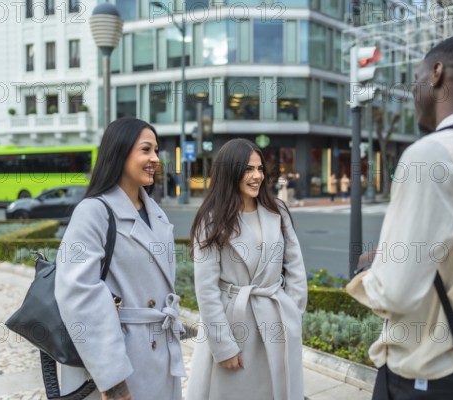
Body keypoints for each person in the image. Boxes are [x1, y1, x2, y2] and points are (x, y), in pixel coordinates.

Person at [346, 35, 453, 399]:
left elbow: (395, 292)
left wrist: (370, 270)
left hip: (425, 373)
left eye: (416, 75)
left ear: (437, 72)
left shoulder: (430, 154)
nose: (413, 89)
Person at [54, 117, 186, 400]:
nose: (155, 159)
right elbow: (79, 294)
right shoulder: (93, 212)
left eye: (156, 151)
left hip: (159, 355)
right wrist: (113, 381)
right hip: (119, 361)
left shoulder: (157, 214)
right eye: (146, 150)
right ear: (120, 151)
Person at [186, 138, 308, 400]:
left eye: (260, 168)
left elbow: (295, 265)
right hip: (234, 323)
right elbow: (206, 290)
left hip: (276, 320)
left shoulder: (277, 211)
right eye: (248, 169)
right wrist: (223, 346)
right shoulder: (212, 220)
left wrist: (293, 312)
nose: (257, 176)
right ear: (230, 172)